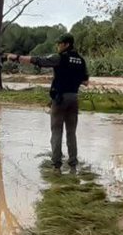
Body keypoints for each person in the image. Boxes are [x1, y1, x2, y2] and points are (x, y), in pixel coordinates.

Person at [5, 34, 89, 172]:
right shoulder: (81, 60)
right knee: (71, 133)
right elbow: (85, 82)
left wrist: (17, 57)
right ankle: (73, 164)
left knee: (56, 132)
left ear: (67, 44)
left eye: (60, 43)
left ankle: (56, 165)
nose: (58, 46)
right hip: (74, 99)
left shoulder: (59, 57)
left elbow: (39, 61)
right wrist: (72, 78)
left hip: (60, 99)